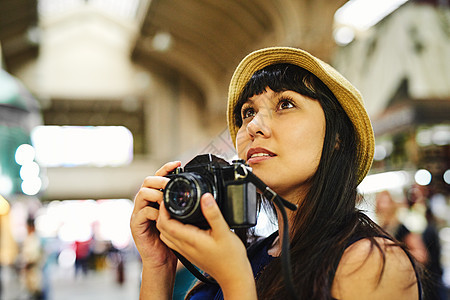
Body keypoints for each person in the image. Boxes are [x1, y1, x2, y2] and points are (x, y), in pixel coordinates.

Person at [130, 47, 423, 299]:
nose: (254, 126)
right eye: (248, 112)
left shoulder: (371, 263)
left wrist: (235, 280)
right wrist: (158, 266)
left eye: (285, 104)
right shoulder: (247, 254)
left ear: (338, 138)